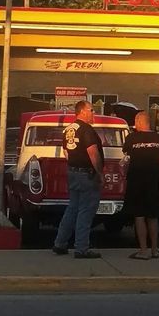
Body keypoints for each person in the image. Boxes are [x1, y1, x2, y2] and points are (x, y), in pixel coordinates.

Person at [52, 101, 104, 259]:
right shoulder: (87, 130)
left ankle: (60, 243)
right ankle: (81, 248)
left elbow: (66, 152)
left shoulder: (68, 129)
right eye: (91, 110)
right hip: (86, 175)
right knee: (86, 211)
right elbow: (93, 152)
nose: (93, 113)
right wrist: (100, 173)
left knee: (72, 208)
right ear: (82, 111)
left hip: (73, 172)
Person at [122, 111, 159, 260]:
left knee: (139, 216)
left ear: (139, 122)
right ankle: (155, 249)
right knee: (153, 216)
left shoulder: (132, 138)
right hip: (153, 180)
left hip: (136, 180)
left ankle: (143, 250)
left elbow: (126, 155)